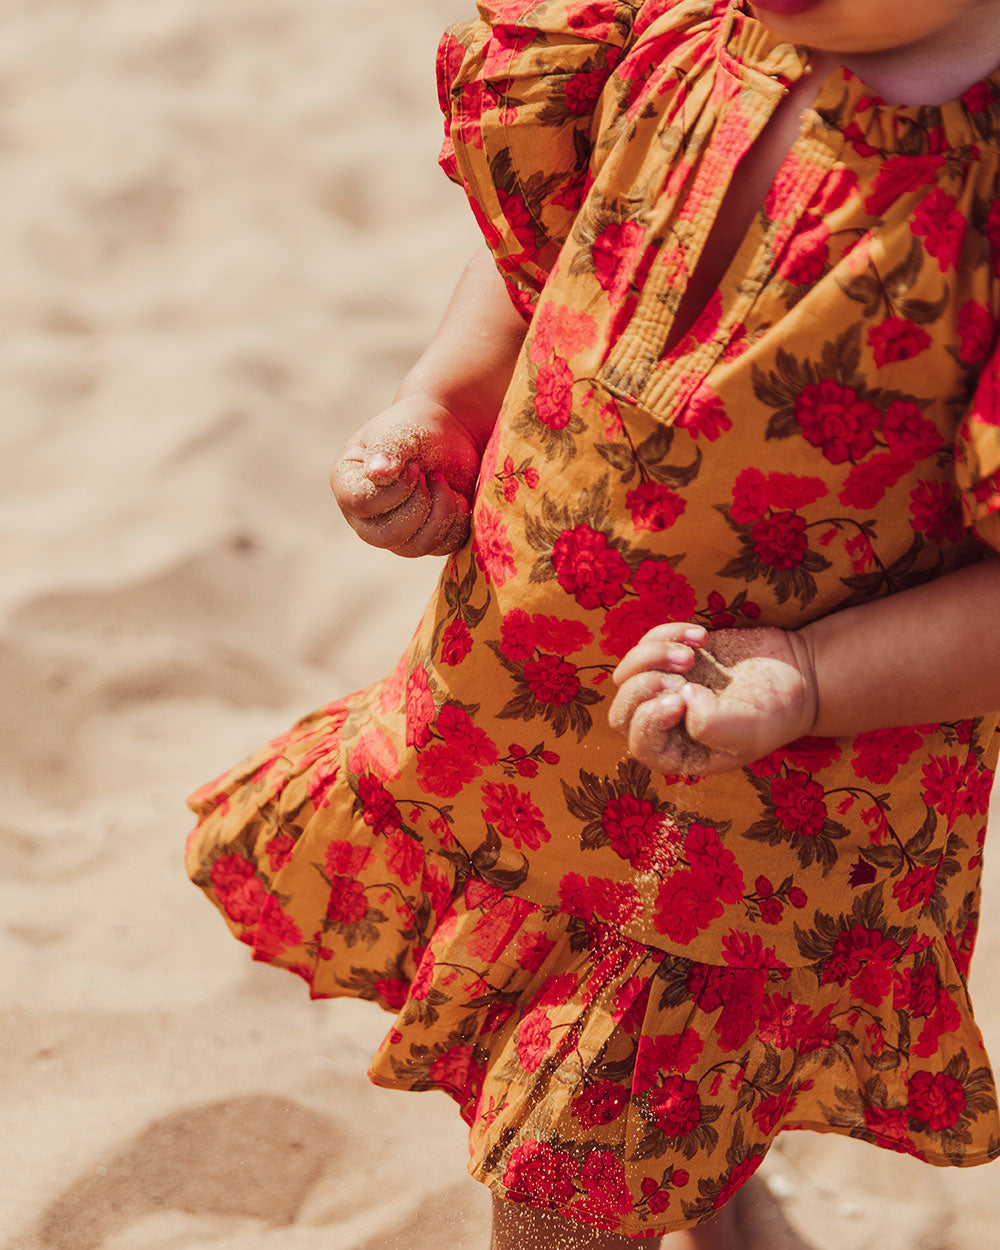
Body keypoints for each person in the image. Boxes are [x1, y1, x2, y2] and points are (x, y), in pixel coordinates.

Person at [185, 1, 1000, 1246]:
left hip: (761, 803)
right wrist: (440, 404)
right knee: (641, 1087)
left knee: (569, 1166)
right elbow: (556, 259)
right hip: (525, 709)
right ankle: (714, 1194)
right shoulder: (674, 31)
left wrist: (811, 676)